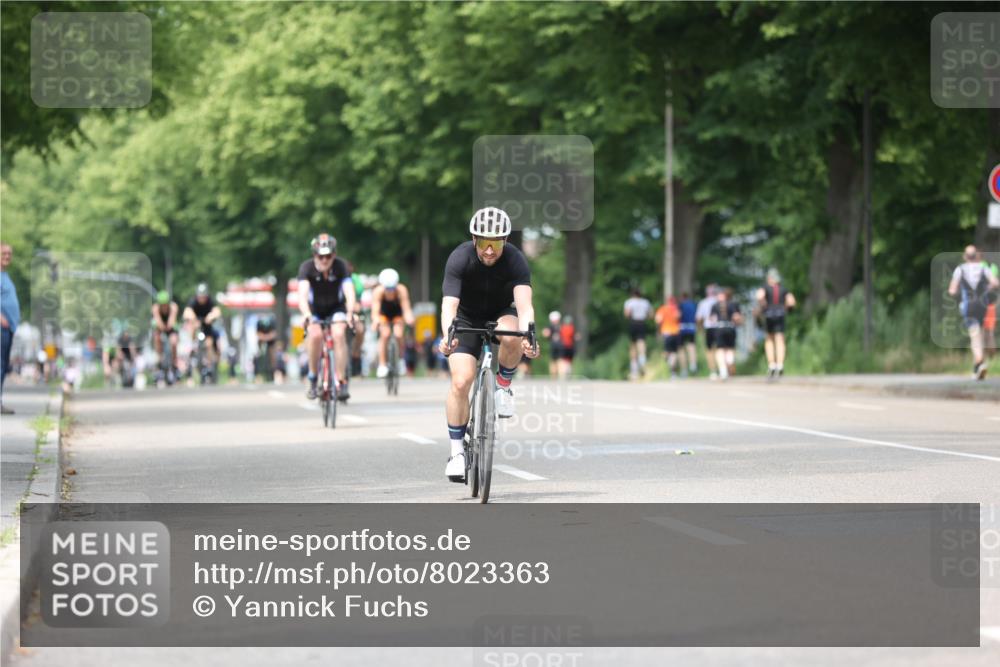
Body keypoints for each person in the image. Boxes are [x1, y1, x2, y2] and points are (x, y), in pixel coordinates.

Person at [438, 207, 540, 481]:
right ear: (474, 240)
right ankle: (457, 452)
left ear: (505, 241)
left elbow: (525, 306)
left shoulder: (516, 260)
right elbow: (449, 304)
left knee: (513, 332)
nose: (490, 251)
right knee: (461, 381)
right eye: (484, 243)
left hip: (500, 314)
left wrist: (530, 334)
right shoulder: (460, 258)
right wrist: (448, 335)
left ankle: (503, 386)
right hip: (466, 317)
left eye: (496, 243)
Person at [298, 233, 356, 399]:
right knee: (315, 335)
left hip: (335, 308)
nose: (324, 260)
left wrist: (351, 312)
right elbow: (302, 295)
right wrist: (306, 314)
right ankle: (313, 377)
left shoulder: (341, 266)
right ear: (314, 255)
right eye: (320, 256)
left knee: (338, 334)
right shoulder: (306, 268)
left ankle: (341, 381)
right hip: (314, 309)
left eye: (328, 256)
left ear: (334, 255)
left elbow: (349, 291)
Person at [948, 245, 999, 380]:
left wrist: (958, 295)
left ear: (965, 256)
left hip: (968, 305)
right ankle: (977, 367)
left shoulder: (961, 269)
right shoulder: (984, 268)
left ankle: (980, 361)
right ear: (976, 256)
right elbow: (995, 283)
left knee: (974, 336)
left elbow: (952, 290)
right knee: (981, 334)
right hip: (982, 306)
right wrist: (986, 288)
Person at [372, 268, 415, 378]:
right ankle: (382, 365)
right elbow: (375, 310)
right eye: (388, 289)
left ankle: (401, 360)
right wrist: (375, 321)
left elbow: (406, 308)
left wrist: (409, 318)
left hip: (397, 313)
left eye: (392, 288)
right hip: (384, 313)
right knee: (385, 334)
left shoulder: (401, 290)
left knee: (398, 334)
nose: (390, 291)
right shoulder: (378, 291)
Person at [756, 268, 797, 380]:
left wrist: (763, 305)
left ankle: (772, 364)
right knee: (780, 339)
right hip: (780, 314)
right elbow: (792, 302)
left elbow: (759, 296)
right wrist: (786, 309)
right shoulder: (784, 289)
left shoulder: (765, 288)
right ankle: (780, 365)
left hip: (769, 315)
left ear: (769, 278)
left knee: (769, 339)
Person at [183, 283, 222, 368]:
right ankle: (192, 346)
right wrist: (193, 318)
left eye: (203, 296)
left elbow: (217, 311)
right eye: (200, 296)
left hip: (207, 325)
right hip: (196, 325)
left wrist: (211, 316)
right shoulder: (193, 301)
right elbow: (187, 312)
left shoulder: (210, 301)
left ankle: (209, 363)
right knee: (192, 328)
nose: (202, 298)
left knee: (209, 343)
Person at [1, 244, 20, 414]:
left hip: (8, 328)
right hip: (1, 328)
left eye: (9, 253)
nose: (7, 256)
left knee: (3, 365)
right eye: (4, 253)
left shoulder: (5, 275)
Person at [709, 288, 743, 380]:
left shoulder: (715, 305)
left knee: (720, 350)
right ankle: (729, 361)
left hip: (719, 328)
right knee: (730, 348)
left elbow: (712, 319)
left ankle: (723, 370)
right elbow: (737, 317)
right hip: (730, 328)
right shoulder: (733, 304)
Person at [624, 288, 652, 379]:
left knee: (633, 345)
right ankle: (642, 360)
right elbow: (651, 314)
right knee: (642, 342)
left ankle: (634, 369)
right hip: (642, 323)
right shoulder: (645, 302)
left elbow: (627, 314)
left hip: (633, 323)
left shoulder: (629, 302)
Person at [151, 290, 179, 382]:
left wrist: (168, 327)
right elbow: (158, 321)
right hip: (160, 327)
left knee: (174, 341)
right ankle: (159, 358)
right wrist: (162, 328)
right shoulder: (155, 308)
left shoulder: (173, 307)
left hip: (171, 328)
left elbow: (171, 321)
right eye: (162, 305)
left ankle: (175, 363)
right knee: (156, 337)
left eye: (165, 304)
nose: (164, 307)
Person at [695, 284, 719, 379]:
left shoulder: (703, 303)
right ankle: (722, 368)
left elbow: (699, 318)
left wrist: (700, 328)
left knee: (709, 350)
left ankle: (713, 371)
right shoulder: (719, 301)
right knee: (719, 349)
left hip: (709, 328)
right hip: (719, 327)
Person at [655, 296, 681, 377]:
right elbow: (679, 317)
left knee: (666, 351)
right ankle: (673, 372)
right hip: (676, 332)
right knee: (674, 352)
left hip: (666, 332)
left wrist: (658, 332)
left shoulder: (662, 309)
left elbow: (658, 320)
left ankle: (668, 361)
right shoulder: (676, 309)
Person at [982, 253, 999, 358]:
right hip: (989, 304)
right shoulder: (992, 267)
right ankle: (989, 357)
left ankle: (984, 358)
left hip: (987, 305)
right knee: (989, 333)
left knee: (983, 333)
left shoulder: (988, 267)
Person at [678, 292, 698, 376]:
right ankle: (693, 365)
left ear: (682, 298)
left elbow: (678, 316)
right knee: (691, 347)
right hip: (692, 327)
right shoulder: (694, 305)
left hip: (682, 328)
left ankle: (684, 369)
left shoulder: (680, 306)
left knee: (681, 349)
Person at [542, 310, 563, 378]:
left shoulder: (554, 326)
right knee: (555, 361)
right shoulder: (559, 326)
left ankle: (557, 376)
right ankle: (556, 376)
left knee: (558, 361)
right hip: (556, 346)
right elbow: (545, 333)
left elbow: (545, 333)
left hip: (558, 346)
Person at [558, 314, 577, 378]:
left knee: (563, 359)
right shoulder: (572, 328)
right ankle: (569, 371)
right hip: (570, 346)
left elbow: (560, 336)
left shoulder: (562, 328)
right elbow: (573, 337)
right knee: (569, 360)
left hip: (563, 345)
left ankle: (563, 373)